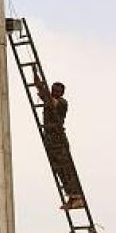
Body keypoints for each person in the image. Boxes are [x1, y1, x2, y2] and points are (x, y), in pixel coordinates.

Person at [37, 78, 85, 210]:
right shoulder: (50, 99)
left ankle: (78, 197)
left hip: (59, 140)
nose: (55, 92)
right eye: (53, 90)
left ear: (62, 93)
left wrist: (41, 88)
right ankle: (71, 198)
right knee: (59, 170)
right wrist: (36, 78)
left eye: (58, 91)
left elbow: (50, 100)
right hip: (51, 139)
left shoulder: (62, 103)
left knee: (67, 169)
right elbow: (44, 94)